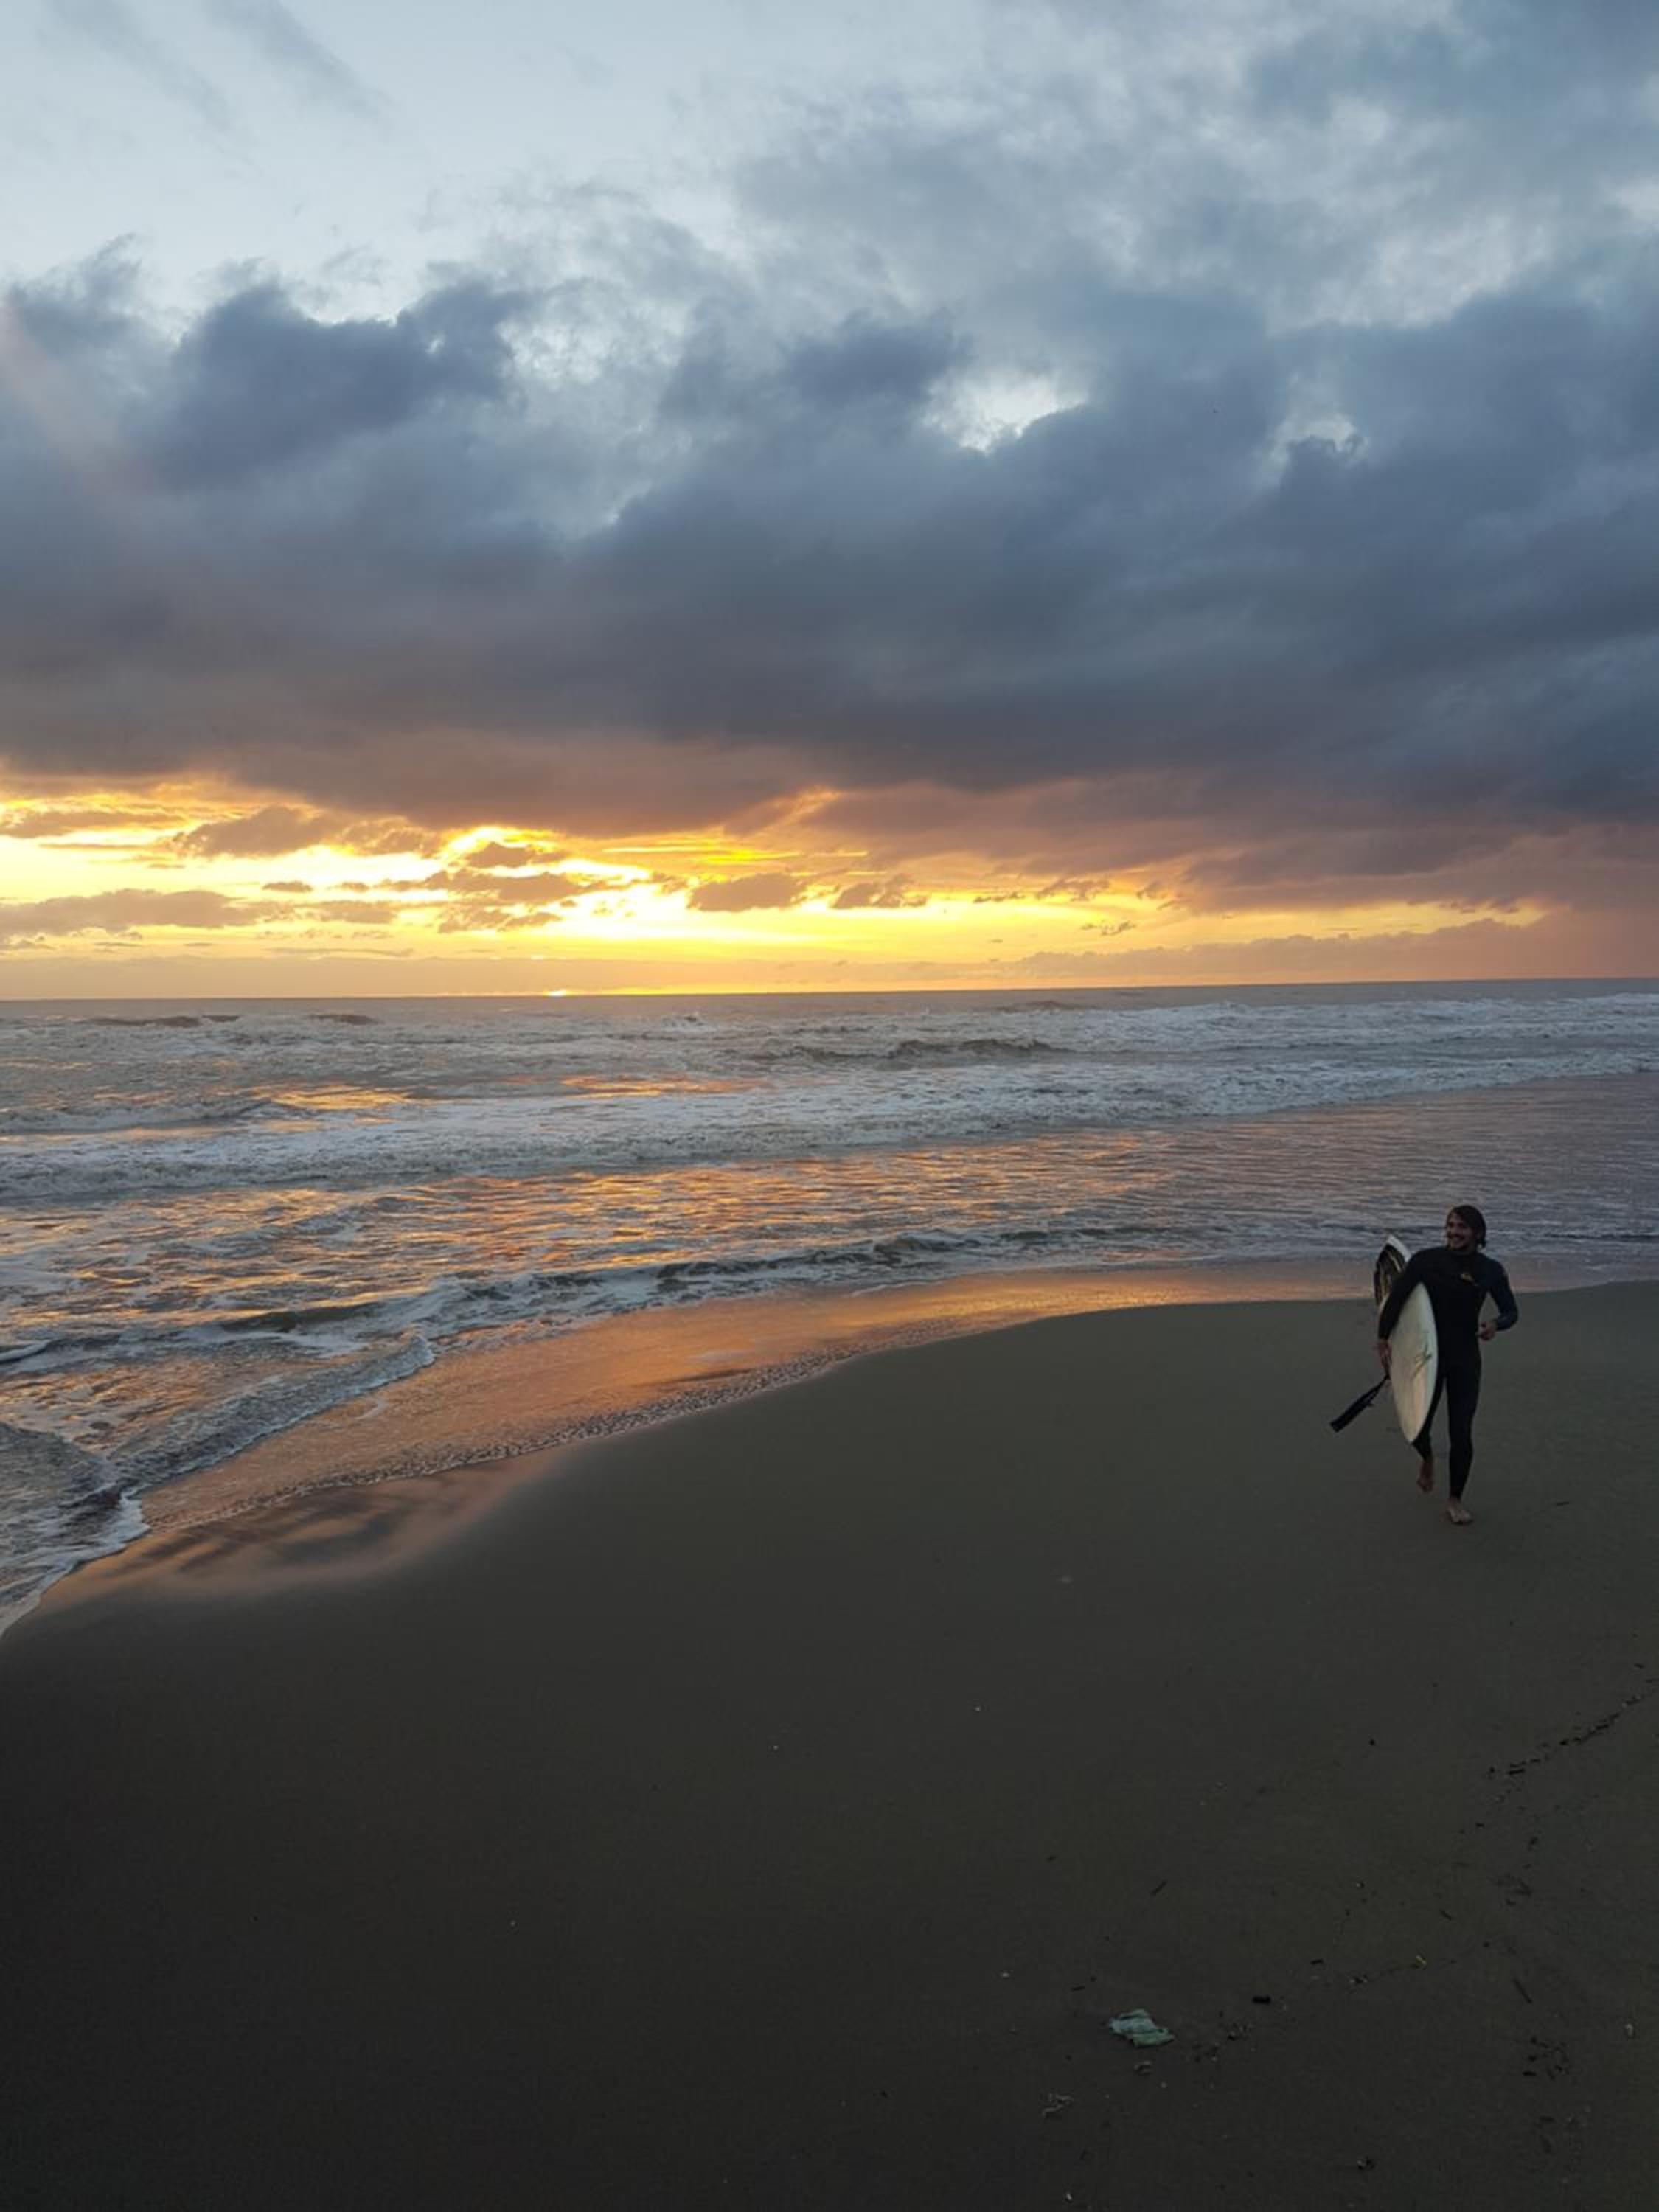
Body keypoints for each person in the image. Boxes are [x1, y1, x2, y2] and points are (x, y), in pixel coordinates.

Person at [1376, 1204, 1518, 1526]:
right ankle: (1427, 1457)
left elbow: (1512, 1311)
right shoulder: (1426, 1262)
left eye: (1462, 1227)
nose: (1454, 1232)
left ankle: (1455, 1499)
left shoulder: (1491, 1270)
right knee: (1418, 1427)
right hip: (1424, 1355)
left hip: (1464, 1358)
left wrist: (1495, 1324)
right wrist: (1383, 1338)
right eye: (1450, 1225)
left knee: (1461, 1432)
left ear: (1478, 1233)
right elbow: (1396, 1300)